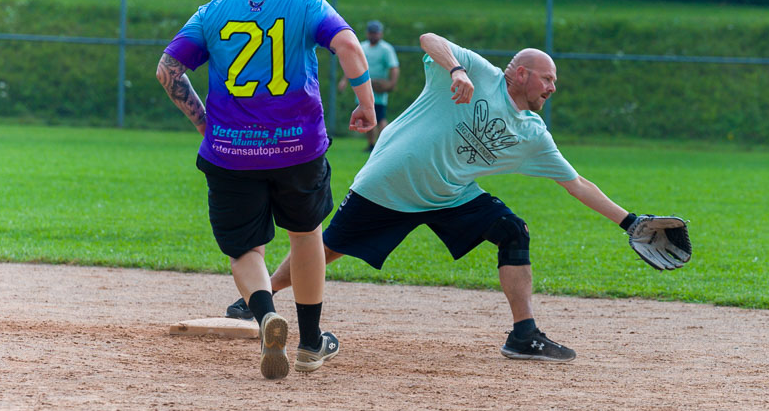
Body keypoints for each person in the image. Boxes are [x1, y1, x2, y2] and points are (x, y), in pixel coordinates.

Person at [227, 32, 645, 363]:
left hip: (449, 194)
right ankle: (258, 300)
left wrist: (631, 222)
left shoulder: (532, 134)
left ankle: (523, 335)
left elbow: (576, 183)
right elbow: (429, 39)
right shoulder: (481, 74)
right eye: (547, 78)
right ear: (520, 73)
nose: (553, 87)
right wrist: (458, 71)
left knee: (513, 231)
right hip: (389, 183)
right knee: (326, 248)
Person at [157, 0, 376, 380]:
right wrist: (366, 103)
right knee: (305, 234)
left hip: (231, 152)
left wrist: (203, 122)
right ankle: (311, 344)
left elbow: (168, 70)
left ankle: (265, 316)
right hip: (298, 148)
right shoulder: (307, 4)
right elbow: (350, 46)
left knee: (245, 249)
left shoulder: (212, 11)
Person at [338, 20, 399, 151]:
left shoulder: (386, 49)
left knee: (380, 116)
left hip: (378, 87)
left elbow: (394, 67)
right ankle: (372, 144)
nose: (373, 35)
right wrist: (344, 80)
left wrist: (391, 84)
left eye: (376, 33)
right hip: (363, 86)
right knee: (365, 115)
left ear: (381, 34)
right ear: (367, 33)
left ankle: (386, 144)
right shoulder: (362, 46)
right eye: (371, 32)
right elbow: (352, 64)